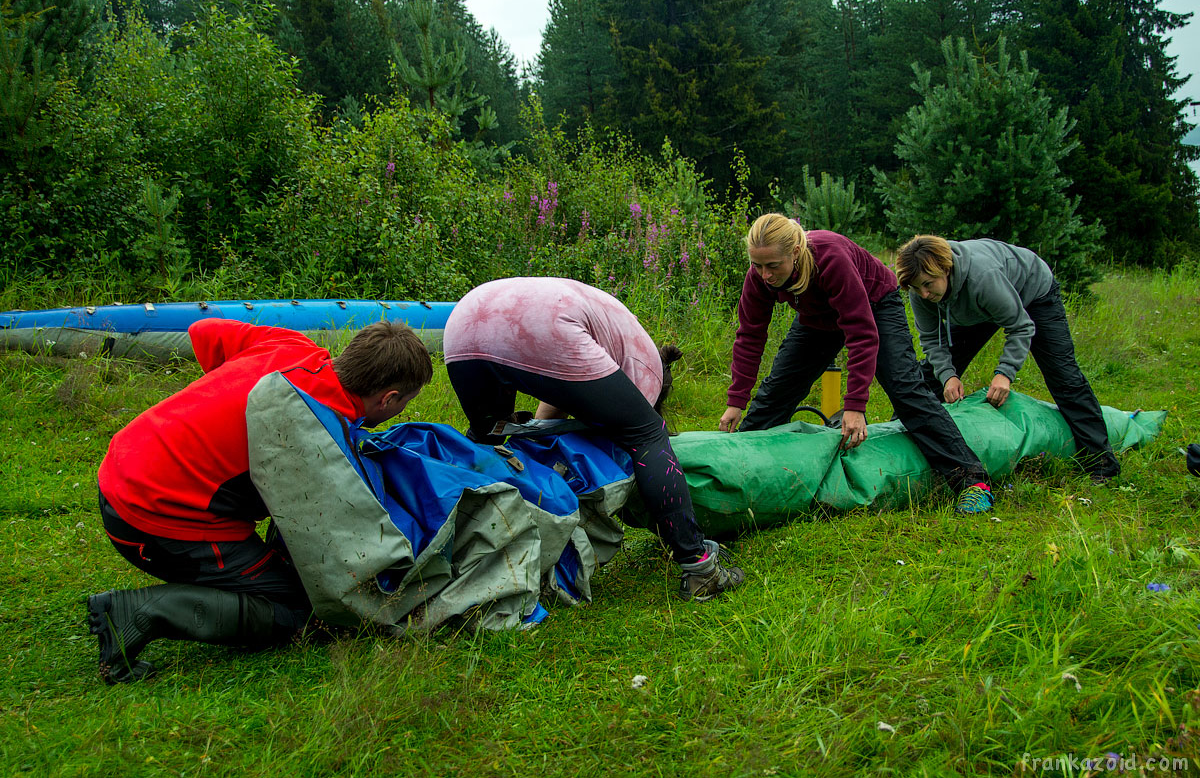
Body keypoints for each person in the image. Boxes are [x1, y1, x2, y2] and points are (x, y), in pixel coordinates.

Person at [88, 319, 433, 683]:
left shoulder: (291, 344)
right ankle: (139, 613)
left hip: (123, 461)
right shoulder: (320, 435)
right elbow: (330, 541)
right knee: (301, 611)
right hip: (150, 515)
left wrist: (224, 406)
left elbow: (205, 330)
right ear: (389, 398)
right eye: (406, 403)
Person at [442, 276, 744, 602]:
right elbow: (637, 430)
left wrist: (537, 435)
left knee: (491, 436)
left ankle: (453, 545)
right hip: (546, 325)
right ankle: (700, 568)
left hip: (465, 322)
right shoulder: (648, 367)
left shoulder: (614, 337)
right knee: (648, 434)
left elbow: (554, 398)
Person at [720, 213, 994, 514]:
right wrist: (736, 401)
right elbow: (750, 336)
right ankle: (738, 473)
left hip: (876, 305)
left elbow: (861, 334)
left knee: (905, 389)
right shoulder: (759, 277)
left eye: (773, 266)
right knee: (777, 391)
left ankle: (972, 482)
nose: (765, 275)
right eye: (758, 265)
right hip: (818, 319)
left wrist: (855, 406)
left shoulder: (830, 257)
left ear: (795, 253)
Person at [895, 234, 1120, 483]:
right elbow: (932, 339)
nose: (924, 294)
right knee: (931, 377)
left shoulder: (982, 276)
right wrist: (948, 376)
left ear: (946, 269)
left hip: (1032, 294)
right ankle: (899, 434)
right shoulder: (921, 291)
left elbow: (1021, 326)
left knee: (1063, 376)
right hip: (972, 309)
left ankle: (1102, 464)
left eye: (928, 284)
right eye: (917, 287)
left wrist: (1004, 373)